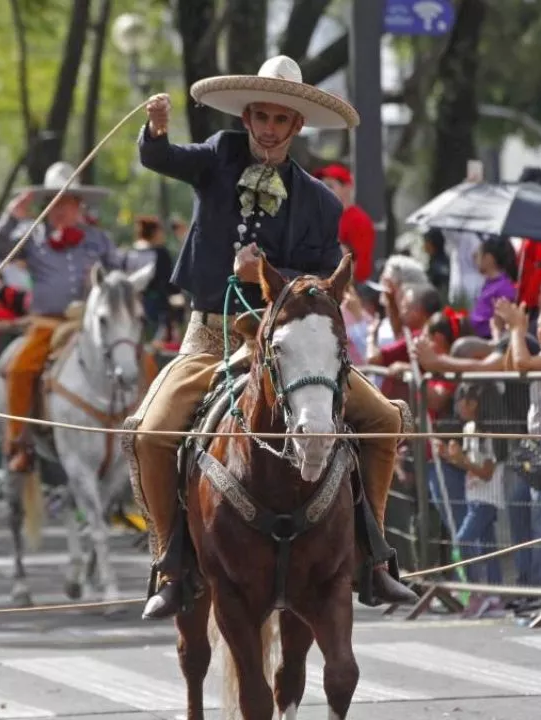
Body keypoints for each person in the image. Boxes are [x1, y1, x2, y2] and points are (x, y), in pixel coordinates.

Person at [126, 55, 418, 619]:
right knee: (149, 434)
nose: (267, 127)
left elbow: (316, 280)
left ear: (296, 127)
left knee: (384, 418)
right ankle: (170, 563)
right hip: (211, 335)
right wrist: (155, 131)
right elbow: (163, 158)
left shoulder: (322, 202)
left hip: (290, 342)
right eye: (259, 116)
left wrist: (261, 273)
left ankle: (376, 557)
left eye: (279, 119)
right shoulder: (217, 155)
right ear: (248, 116)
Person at [0, 161, 121, 472]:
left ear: (79, 206)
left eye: (66, 201)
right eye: (52, 201)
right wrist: (11, 218)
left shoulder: (98, 239)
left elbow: (118, 272)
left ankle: (139, 432)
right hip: (47, 326)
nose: (59, 208)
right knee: (20, 368)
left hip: (91, 325)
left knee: (136, 361)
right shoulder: (30, 237)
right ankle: (19, 443)